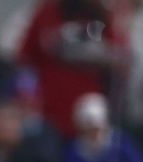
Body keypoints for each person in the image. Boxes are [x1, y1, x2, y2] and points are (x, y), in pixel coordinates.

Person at [18, 0, 127, 139]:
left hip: (88, 117)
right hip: (49, 116)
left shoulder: (102, 16)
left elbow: (119, 58)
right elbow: (25, 58)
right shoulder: (46, 13)